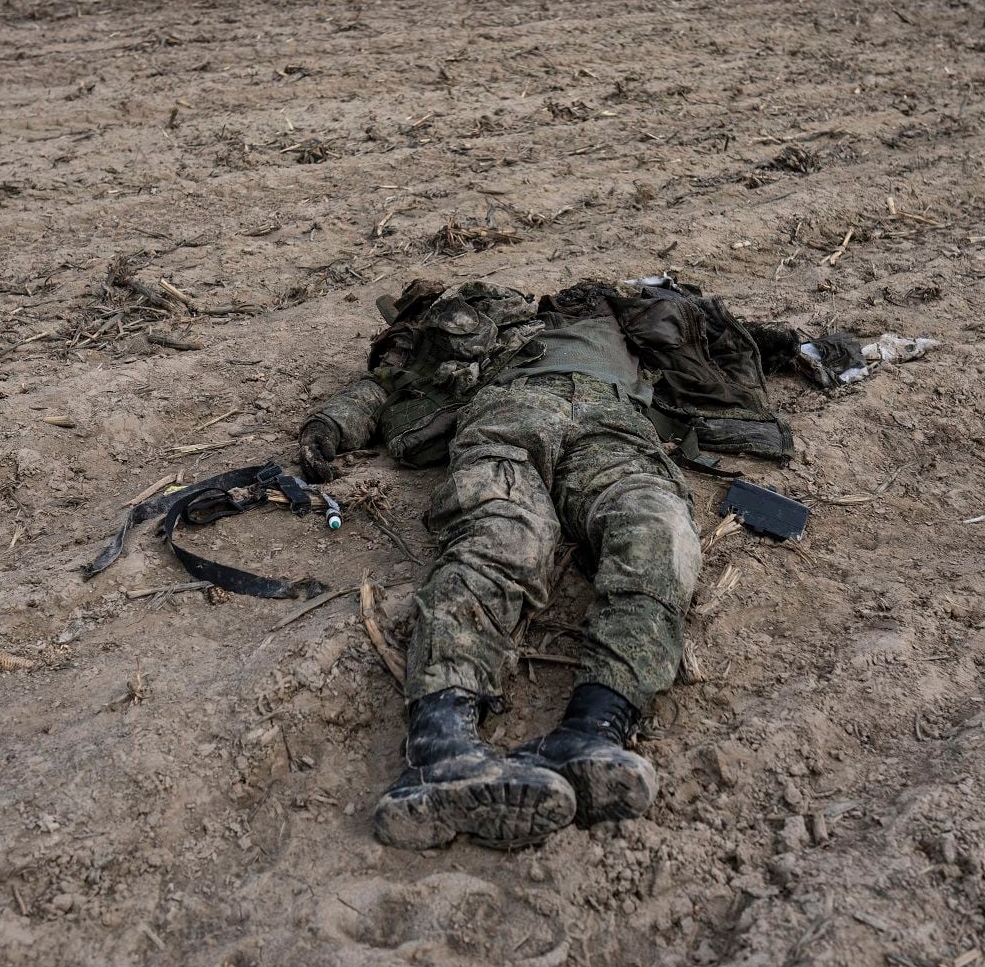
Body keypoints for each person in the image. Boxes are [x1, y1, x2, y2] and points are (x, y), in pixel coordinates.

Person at [300, 277, 838, 849]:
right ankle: (440, 748)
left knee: (659, 528)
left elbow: (728, 338)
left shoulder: (623, 321)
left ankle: (594, 728)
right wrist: (330, 426)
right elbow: (382, 384)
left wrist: (813, 349)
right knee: (501, 539)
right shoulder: (463, 333)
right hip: (505, 417)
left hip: (614, 425)